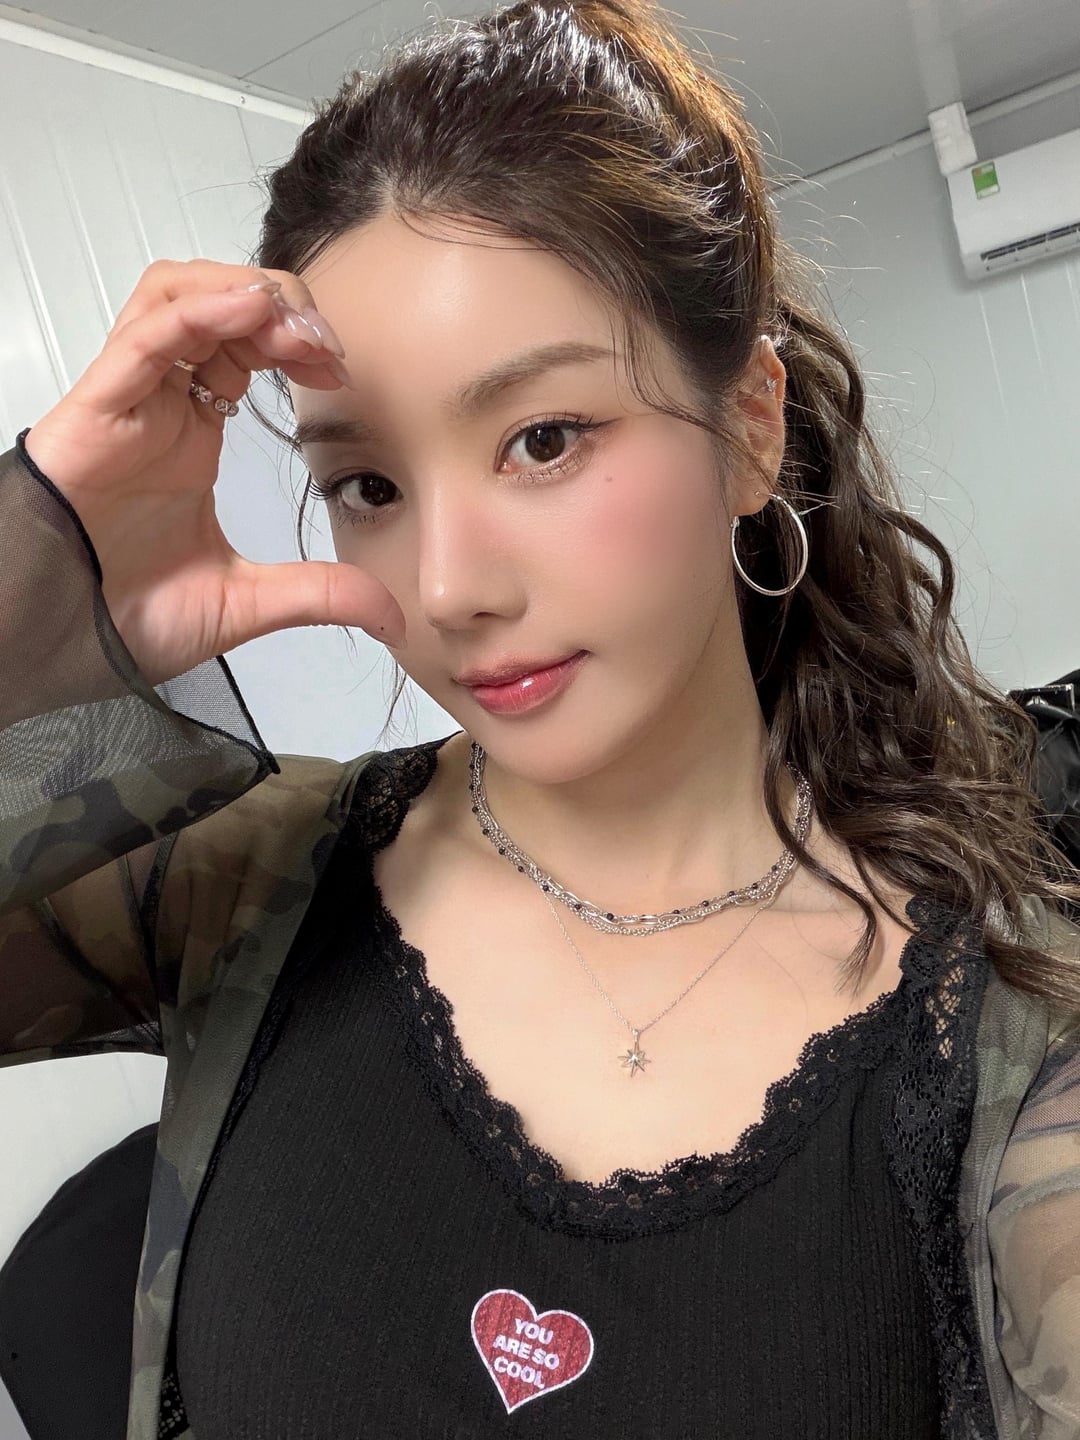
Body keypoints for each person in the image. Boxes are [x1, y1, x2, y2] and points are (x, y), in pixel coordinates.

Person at [2, 0, 1079, 1435]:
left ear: (749, 427)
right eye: (369, 486)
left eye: (544, 439)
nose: (448, 589)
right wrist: (43, 574)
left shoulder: (1012, 1025)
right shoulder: (242, 881)